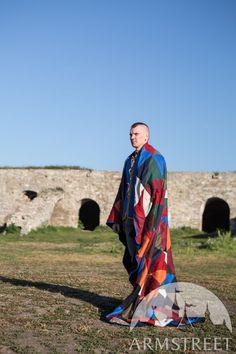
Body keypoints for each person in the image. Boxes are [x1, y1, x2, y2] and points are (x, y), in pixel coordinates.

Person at [106, 122, 177, 326]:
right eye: (130, 134)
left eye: (136, 134)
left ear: (146, 136)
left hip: (150, 225)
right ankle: (141, 300)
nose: (132, 137)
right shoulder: (129, 161)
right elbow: (124, 190)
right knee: (135, 262)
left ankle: (146, 306)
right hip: (130, 222)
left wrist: (151, 227)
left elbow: (158, 196)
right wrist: (119, 217)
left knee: (150, 264)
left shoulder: (156, 159)